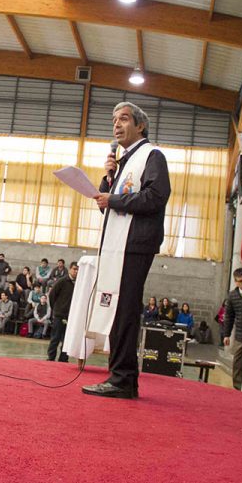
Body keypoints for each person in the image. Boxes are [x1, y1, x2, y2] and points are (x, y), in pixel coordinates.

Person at [82, 100, 171, 400]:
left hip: (135, 245)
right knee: (118, 310)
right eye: (113, 120)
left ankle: (122, 378)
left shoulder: (152, 156)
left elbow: (155, 197)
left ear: (140, 125)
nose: (116, 125)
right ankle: (121, 378)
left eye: (123, 119)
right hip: (118, 246)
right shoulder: (122, 163)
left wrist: (114, 200)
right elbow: (111, 204)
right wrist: (109, 180)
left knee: (125, 310)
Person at [47, 262, 78, 362]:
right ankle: (51, 357)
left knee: (67, 339)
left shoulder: (79, 284)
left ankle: (63, 359)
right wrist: (55, 310)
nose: (76, 271)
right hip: (59, 315)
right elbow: (52, 296)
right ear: (69, 269)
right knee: (55, 338)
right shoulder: (62, 281)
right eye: (74, 269)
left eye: (78, 270)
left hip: (71, 316)